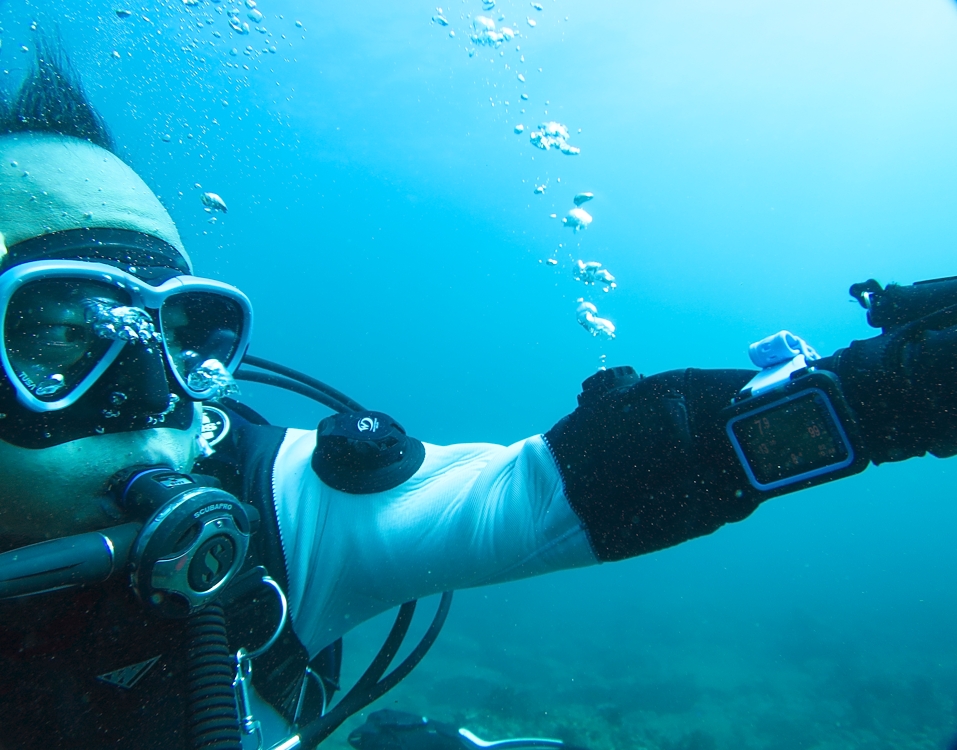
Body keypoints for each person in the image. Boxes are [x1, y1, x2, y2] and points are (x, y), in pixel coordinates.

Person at [1, 48, 955, 750]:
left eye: (180, 337)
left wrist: (887, 394)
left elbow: (560, 487)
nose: (156, 399)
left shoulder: (266, 519)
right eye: (58, 335)